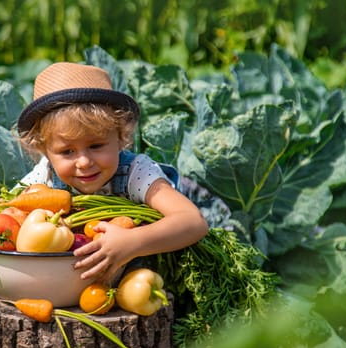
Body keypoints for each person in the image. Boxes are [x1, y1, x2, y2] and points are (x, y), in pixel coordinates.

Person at [16, 62, 208, 283]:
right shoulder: (46, 176)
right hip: (70, 289)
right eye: (67, 151)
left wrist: (132, 241)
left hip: (137, 284)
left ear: (120, 138)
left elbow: (193, 222)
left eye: (96, 146)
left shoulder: (135, 173)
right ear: (46, 152)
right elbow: (6, 212)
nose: (84, 162)